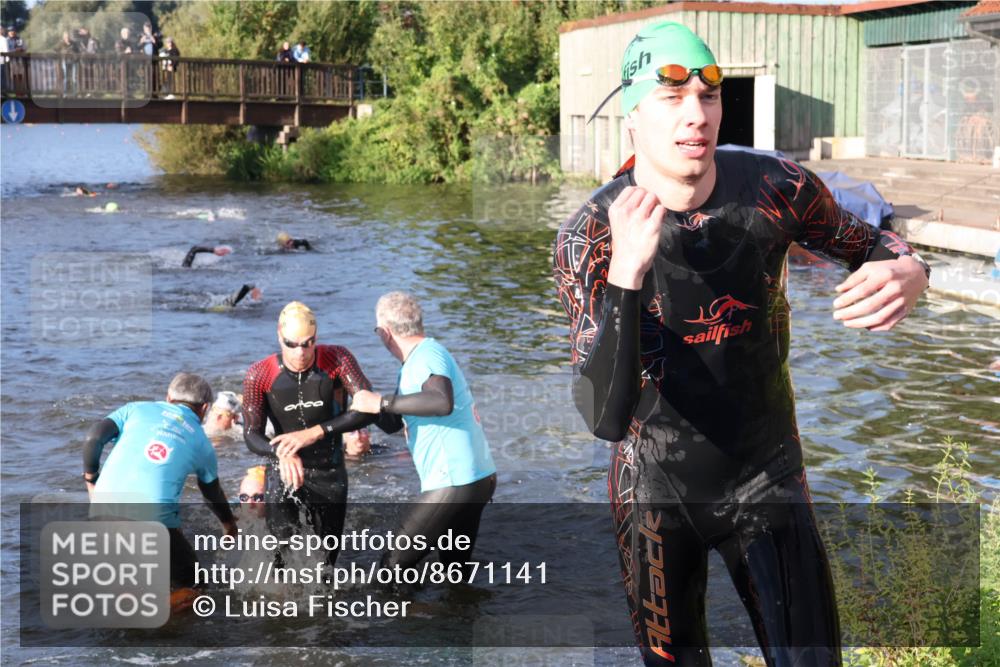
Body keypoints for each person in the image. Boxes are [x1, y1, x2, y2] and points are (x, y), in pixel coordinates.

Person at [552, 21, 930, 667]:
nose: (696, 115)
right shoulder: (591, 234)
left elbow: (872, 243)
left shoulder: (775, 188)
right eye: (671, 99)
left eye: (709, 95)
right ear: (632, 119)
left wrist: (910, 270)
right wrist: (626, 279)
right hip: (655, 492)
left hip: (767, 473)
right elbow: (604, 417)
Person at [352, 292, 497, 574]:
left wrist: (380, 401)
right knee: (454, 573)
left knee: (390, 570)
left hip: (453, 482)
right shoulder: (422, 357)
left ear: (385, 332)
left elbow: (441, 402)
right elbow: (394, 423)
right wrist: (359, 401)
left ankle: (403, 617)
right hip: (476, 478)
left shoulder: (426, 356)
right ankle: (459, 618)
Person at [242, 301, 380, 568]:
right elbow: (251, 435)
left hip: (329, 470)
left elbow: (370, 408)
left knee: (326, 564)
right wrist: (280, 452)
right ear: (279, 336)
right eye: (291, 344)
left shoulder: (337, 358)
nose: (301, 352)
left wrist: (316, 432)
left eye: (308, 343)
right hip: (284, 469)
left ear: (316, 338)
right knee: (279, 557)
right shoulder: (260, 374)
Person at [82, 372, 237, 590]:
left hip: (100, 511)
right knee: (195, 586)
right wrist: (230, 526)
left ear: (168, 397)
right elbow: (212, 494)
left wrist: (91, 479)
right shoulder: (202, 443)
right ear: (204, 409)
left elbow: (93, 437)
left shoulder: (135, 409)